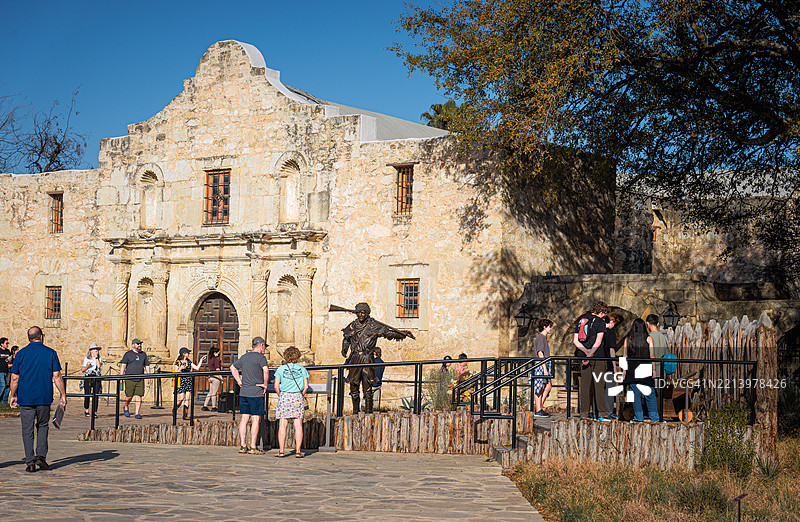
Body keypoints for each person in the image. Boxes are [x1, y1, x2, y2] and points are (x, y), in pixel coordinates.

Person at [9, 326, 67, 472]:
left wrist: (13, 395)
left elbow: (15, 377)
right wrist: (63, 394)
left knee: (27, 430)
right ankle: (41, 456)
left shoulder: (20, 354)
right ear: (41, 336)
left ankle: (30, 462)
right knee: (42, 426)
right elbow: (57, 376)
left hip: (26, 398)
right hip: (43, 397)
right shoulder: (50, 353)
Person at [341, 302, 412, 414]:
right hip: (354, 359)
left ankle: (369, 413)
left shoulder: (373, 326)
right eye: (359, 312)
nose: (361, 315)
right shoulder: (353, 325)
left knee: (367, 388)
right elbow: (346, 337)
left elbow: (388, 333)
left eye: (363, 312)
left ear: (367, 313)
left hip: (367, 359)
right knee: (354, 387)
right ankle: (355, 412)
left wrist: (402, 334)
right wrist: (344, 348)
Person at [230, 336, 269, 455]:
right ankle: (253, 446)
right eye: (264, 347)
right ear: (261, 346)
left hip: (244, 392)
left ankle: (243, 445)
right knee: (255, 419)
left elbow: (232, 367)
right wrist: (265, 384)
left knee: (244, 419)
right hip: (256, 392)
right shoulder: (261, 358)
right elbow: (266, 371)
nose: (264, 350)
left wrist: (239, 381)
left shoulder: (245, 357)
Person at [573, 301, 610, 421]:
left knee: (585, 386)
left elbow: (576, 341)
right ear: (601, 312)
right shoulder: (600, 322)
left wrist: (585, 353)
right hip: (597, 356)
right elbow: (598, 342)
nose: (605, 316)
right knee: (599, 386)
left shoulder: (582, 320)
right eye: (604, 313)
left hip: (582, 356)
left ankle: (583, 413)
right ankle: (602, 414)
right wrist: (590, 355)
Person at [274, 346, 309, 458]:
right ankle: (298, 451)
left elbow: (276, 386)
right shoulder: (302, 369)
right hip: (297, 396)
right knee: (298, 425)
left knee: (282, 424)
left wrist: (282, 395)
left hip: (284, 396)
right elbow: (306, 386)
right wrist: (300, 394)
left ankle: (281, 451)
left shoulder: (280, 369)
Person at [623, 318, 660, 422]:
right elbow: (652, 355)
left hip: (632, 368)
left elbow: (625, 356)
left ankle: (638, 417)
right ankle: (654, 418)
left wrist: (624, 371)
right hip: (645, 367)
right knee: (650, 394)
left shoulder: (628, 339)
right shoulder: (648, 339)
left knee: (635, 394)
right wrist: (654, 369)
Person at [119, 339, 151, 419]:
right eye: (137, 344)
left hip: (140, 378)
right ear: (133, 345)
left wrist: (148, 376)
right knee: (129, 396)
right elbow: (123, 365)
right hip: (129, 378)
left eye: (140, 344)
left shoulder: (143, 354)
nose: (139, 345)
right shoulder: (128, 354)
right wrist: (121, 376)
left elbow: (147, 365)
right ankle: (126, 406)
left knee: (139, 395)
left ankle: (137, 413)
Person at [173, 347, 206, 421]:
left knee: (187, 399)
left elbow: (196, 368)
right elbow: (175, 372)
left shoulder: (189, 361)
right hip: (181, 381)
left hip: (188, 380)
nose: (189, 354)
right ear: (184, 354)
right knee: (181, 398)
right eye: (187, 353)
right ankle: (174, 409)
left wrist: (201, 360)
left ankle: (185, 415)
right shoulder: (177, 362)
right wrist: (181, 368)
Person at [533, 319, 554, 418]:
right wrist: (545, 369)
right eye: (550, 326)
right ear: (545, 327)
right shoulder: (541, 337)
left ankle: (539, 407)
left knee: (547, 386)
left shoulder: (543, 338)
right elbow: (540, 353)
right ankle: (538, 409)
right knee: (540, 387)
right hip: (541, 365)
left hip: (544, 364)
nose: (551, 329)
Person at [602, 313, 621, 419]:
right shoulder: (610, 333)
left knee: (599, 387)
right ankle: (608, 411)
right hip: (608, 362)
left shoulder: (598, 332)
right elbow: (612, 350)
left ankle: (598, 410)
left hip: (598, 362)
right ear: (611, 321)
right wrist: (614, 366)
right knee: (610, 387)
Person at [81, 342, 103, 417]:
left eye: (97, 349)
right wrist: (87, 366)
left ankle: (94, 412)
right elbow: (83, 370)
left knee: (96, 394)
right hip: (88, 376)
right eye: (94, 349)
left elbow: (99, 366)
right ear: (91, 350)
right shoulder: (86, 358)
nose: (96, 350)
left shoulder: (99, 358)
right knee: (87, 393)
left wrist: (96, 358)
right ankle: (86, 410)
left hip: (96, 376)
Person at [202, 347, 222, 411]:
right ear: (215, 353)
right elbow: (217, 369)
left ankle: (205, 405)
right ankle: (214, 407)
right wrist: (221, 378)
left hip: (210, 376)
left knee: (210, 392)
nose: (219, 354)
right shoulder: (215, 360)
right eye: (218, 353)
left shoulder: (210, 359)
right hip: (215, 377)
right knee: (214, 392)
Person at [0, 337, 11, 403]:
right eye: (6, 343)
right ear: (2, 344)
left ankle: (4, 402)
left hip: (7, 371)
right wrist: (7, 360)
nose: (7, 345)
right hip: (1, 371)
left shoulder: (8, 351)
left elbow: (9, 361)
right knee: (2, 386)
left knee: (7, 387)